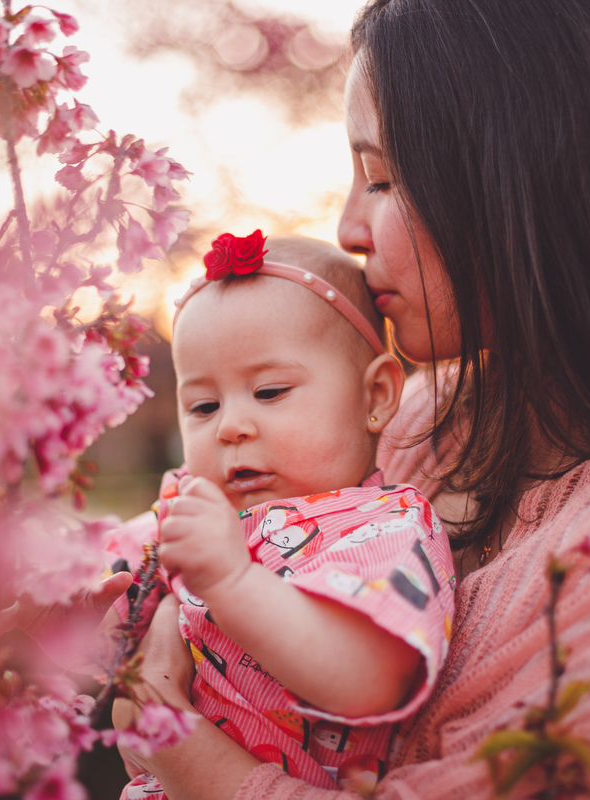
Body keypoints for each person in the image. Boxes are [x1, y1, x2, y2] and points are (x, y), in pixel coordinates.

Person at [110, 0, 590, 798]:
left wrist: (179, 746)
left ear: (527, 179)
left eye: (383, 178)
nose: (348, 226)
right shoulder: (424, 422)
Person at [104, 233, 457, 797]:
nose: (230, 426)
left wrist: (231, 581)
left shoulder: (381, 528)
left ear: (376, 397)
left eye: (269, 392)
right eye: (203, 406)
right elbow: (113, 580)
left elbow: (367, 680)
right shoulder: (195, 506)